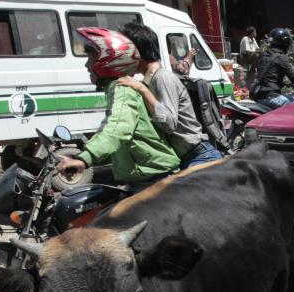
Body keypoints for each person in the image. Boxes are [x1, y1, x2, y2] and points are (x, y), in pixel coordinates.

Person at [56, 28, 180, 184]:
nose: (87, 66)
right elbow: (111, 132)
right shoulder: (118, 88)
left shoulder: (122, 90)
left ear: (108, 61)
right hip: (145, 175)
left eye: (90, 59)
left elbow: (117, 127)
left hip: (153, 178)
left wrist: (84, 159)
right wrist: (82, 155)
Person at [118, 22, 222, 170]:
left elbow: (169, 124)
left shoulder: (162, 78)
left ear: (138, 52)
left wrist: (143, 90)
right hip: (180, 159)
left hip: (199, 157)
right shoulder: (148, 81)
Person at [253, 27, 294, 108]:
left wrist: (286, 84)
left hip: (260, 96)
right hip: (271, 97)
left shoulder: (266, 55)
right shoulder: (280, 57)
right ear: (285, 42)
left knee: (293, 99)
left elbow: (269, 76)